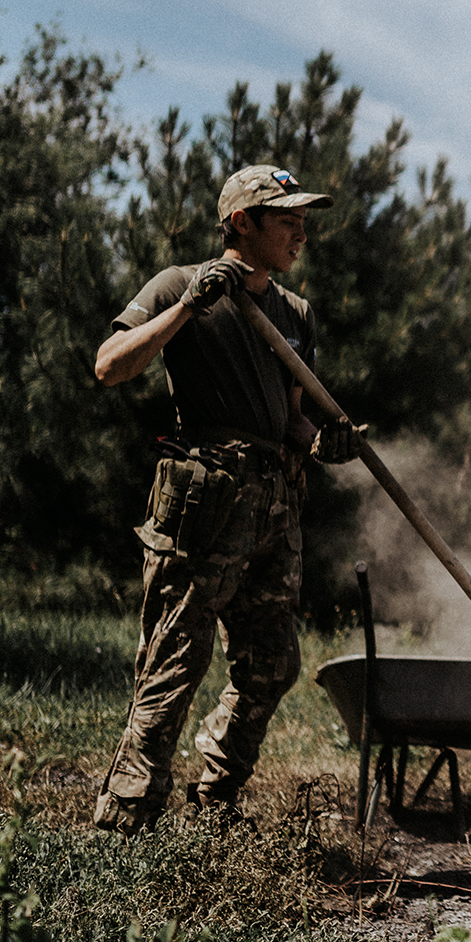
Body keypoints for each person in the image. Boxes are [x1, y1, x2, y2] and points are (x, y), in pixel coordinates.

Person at [91, 165, 363, 833]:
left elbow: (292, 420)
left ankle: (216, 796)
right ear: (242, 221)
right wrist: (189, 305)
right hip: (206, 500)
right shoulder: (177, 284)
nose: (301, 234)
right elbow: (110, 365)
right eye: (288, 220)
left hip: (275, 501)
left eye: (304, 221)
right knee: (174, 662)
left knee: (274, 664)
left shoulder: (295, 313)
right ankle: (126, 819)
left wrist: (322, 444)